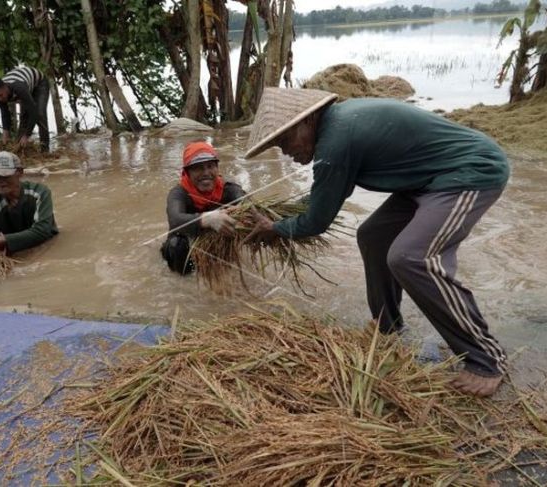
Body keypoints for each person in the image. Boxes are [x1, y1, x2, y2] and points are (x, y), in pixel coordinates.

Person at [243, 88, 510, 397]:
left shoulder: (334, 143)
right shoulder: (338, 127)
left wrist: (275, 228)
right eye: (279, 145)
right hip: (425, 179)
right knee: (373, 235)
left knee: (411, 257)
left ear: (309, 120)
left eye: (287, 141)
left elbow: (316, 222)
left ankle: (486, 359)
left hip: (470, 171)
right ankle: (387, 326)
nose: (287, 152)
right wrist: (279, 219)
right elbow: (324, 197)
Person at [161, 141, 246, 275]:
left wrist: (243, 211)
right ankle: (185, 285)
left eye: (210, 166)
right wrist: (206, 219)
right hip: (186, 246)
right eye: (198, 168)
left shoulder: (229, 189)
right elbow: (175, 220)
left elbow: (248, 204)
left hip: (214, 244)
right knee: (176, 245)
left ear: (217, 169)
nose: (206, 173)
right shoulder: (178, 193)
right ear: (187, 173)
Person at [0, 151, 58, 255]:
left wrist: (2, 239)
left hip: (50, 245)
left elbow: (43, 231)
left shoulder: (39, 193)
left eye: (4, 175)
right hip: (20, 253)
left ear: (19, 172)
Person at [0, 66, 50, 152]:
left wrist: (27, 135)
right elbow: (5, 114)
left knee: (40, 115)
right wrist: (6, 133)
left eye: (1, 95)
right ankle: (19, 148)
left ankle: (45, 150)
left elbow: (34, 113)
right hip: (26, 86)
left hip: (40, 84)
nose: (0, 99)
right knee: (23, 117)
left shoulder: (19, 88)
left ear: (5, 87)